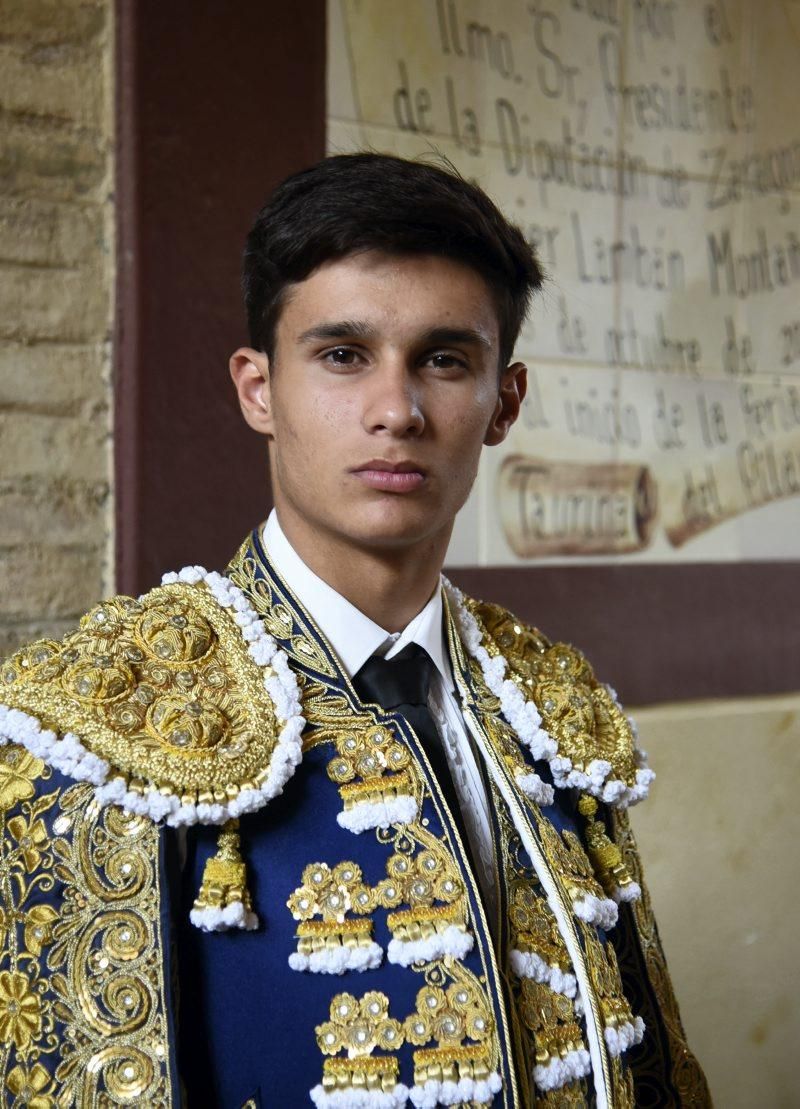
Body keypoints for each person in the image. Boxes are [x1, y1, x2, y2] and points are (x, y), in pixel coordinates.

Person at [0, 153, 709, 1108]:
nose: (397, 411)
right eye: (343, 355)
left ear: (504, 402)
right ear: (259, 389)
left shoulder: (550, 700)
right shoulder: (98, 716)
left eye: (445, 359)